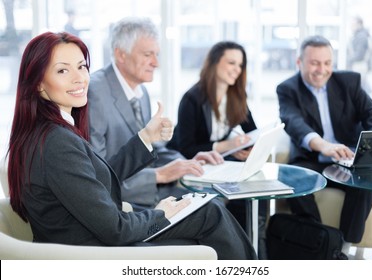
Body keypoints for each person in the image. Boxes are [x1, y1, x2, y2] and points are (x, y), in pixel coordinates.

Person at [6, 31, 257, 260]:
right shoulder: (57, 141)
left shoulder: (48, 131)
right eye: (63, 71)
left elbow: (96, 180)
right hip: (92, 253)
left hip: (90, 238)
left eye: (81, 66)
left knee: (206, 214)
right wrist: (161, 213)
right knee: (209, 213)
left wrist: (145, 138)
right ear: (38, 83)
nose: (80, 78)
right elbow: (115, 229)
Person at [88, 17, 224, 210]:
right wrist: (160, 174)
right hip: (121, 202)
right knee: (213, 209)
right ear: (120, 54)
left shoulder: (140, 91)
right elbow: (98, 174)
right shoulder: (95, 93)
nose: (156, 63)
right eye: (147, 54)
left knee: (215, 200)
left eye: (157, 54)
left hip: (150, 192)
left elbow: (151, 148)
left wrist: (186, 162)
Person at [276, 35, 372, 252]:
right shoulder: (287, 89)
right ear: (299, 62)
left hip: (348, 160)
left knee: (369, 180)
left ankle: (343, 248)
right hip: (312, 160)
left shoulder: (349, 82)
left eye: (327, 63)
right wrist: (324, 145)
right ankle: (321, 243)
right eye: (315, 63)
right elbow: (294, 123)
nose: (322, 70)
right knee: (290, 177)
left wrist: (367, 150)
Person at [168, 41, 257, 161]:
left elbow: (252, 132)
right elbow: (186, 149)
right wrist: (227, 146)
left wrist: (248, 149)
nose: (238, 70)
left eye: (240, 65)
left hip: (215, 159)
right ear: (214, 63)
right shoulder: (191, 99)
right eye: (232, 63)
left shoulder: (237, 96)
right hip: (184, 161)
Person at [346, 16, 371, 93]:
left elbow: (359, 55)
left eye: (353, 24)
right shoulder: (358, 35)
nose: (351, 26)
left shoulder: (362, 36)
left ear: (359, 24)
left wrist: (348, 60)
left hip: (359, 65)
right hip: (358, 65)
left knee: (360, 89)